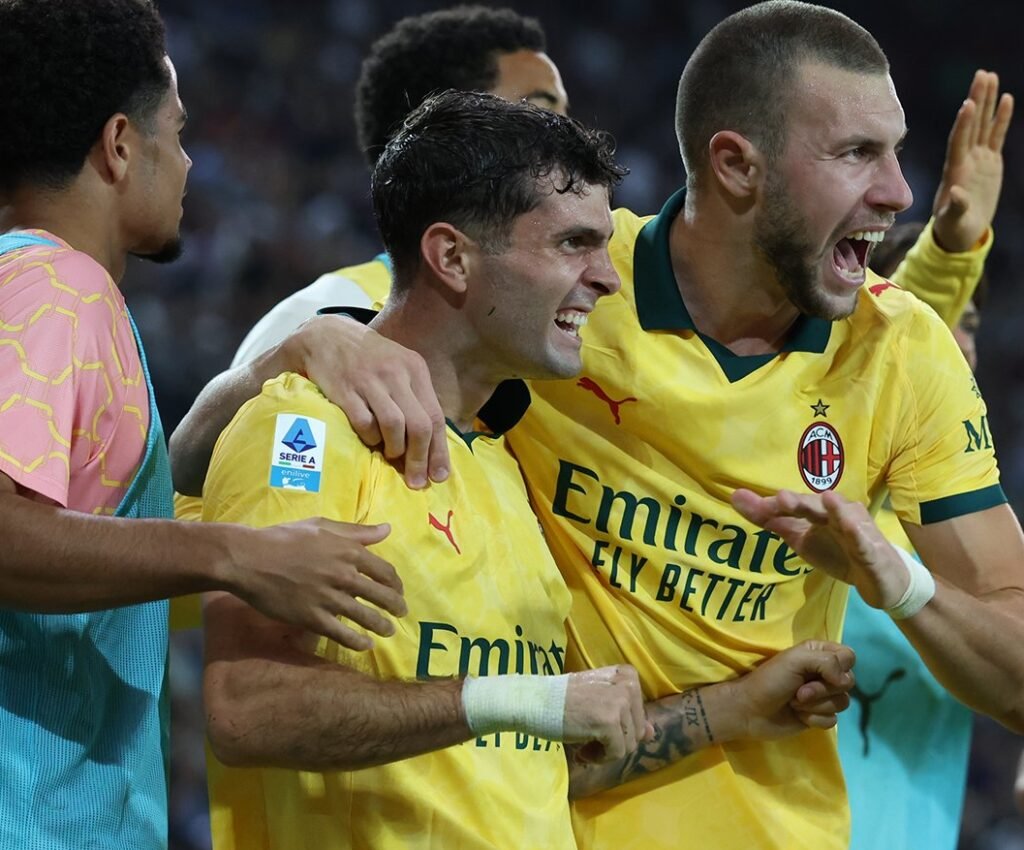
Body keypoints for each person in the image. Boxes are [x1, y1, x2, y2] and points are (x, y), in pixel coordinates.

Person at [199, 90, 856, 850]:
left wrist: (732, 709)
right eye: (573, 244)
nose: (608, 279)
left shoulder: (508, 459)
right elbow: (244, 708)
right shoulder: (306, 430)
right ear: (452, 257)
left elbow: (527, 751)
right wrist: (518, 700)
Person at [170, 4, 997, 500]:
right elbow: (204, 472)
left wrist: (950, 257)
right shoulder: (351, 305)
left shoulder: (553, 292)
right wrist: (298, 351)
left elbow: (867, 338)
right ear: (444, 131)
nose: (562, 131)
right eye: (537, 110)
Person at [0, 1, 406, 846]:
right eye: (178, 134)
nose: (188, 163)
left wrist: (262, 374)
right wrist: (238, 555)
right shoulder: (58, 291)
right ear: (119, 145)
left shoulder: (40, 288)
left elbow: (109, 535)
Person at [839, 216, 991, 850]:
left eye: (969, 323)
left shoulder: (977, 542)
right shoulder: (833, 512)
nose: (959, 343)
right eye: (936, 318)